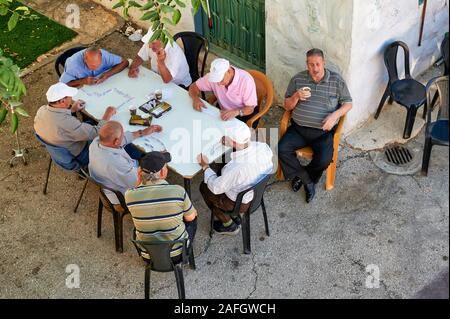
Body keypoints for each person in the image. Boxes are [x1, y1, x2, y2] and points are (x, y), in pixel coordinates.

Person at [278, 48, 353, 203]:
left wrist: (334, 115)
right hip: (299, 129)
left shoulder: (336, 81)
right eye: (311, 65)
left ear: (323, 63)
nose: (315, 68)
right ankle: (308, 180)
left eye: (318, 64)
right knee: (281, 149)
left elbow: (348, 103)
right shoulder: (298, 79)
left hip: (322, 133)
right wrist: (296, 96)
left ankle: (303, 176)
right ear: (307, 64)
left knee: (324, 159)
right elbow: (287, 106)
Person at [197, 121, 273, 235]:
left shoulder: (235, 168)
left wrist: (205, 166)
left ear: (233, 142)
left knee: (204, 186)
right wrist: (230, 143)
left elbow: (216, 188)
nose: (222, 137)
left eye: (225, 136)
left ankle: (228, 224)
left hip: (239, 203)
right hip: (257, 193)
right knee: (221, 172)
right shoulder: (263, 147)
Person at [125, 152, 198, 261]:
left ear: (139, 172)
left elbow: (136, 190)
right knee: (192, 216)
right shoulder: (178, 191)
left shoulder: (129, 195)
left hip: (148, 256)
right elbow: (190, 218)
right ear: (163, 172)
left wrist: (139, 180)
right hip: (177, 255)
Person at [34, 82, 116, 166]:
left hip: (58, 150)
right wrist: (107, 114)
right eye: (70, 97)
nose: (71, 98)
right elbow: (98, 133)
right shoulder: (68, 123)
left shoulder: (41, 110)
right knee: (111, 137)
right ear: (62, 101)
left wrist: (71, 110)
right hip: (79, 156)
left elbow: (58, 119)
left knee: (89, 122)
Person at [88, 121, 162, 204]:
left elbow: (122, 139)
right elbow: (137, 182)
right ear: (116, 141)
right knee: (157, 168)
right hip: (121, 195)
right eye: (122, 135)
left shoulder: (97, 141)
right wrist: (159, 166)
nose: (124, 136)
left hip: (111, 177)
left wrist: (143, 132)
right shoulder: (115, 163)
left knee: (136, 151)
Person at [189, 58, 258, 122]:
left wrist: (236, 112)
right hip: (223, 112)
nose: (218, 83)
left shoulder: (246, 81)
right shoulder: (213, 77)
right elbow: (194, 86)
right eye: (216, 80)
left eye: (221, 79)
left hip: (242, 114)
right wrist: (195, 99)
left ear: (229, 71)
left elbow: (250, 108)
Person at [128, 30, 192, 88]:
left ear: (162, 40)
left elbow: (167, 79)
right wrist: (133, 67)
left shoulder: (175, 53)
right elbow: (140, 57)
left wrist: (161, 62)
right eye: (149, 42)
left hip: (177, 85)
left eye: (153, 43)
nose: (150, 46)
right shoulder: (151, 44)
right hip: (157, 78)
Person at [60, 47, 129, 87]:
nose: (96, 68)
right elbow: (62, 85)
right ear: (85, 59)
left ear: (101, 56)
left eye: (99, 64)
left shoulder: (105, 55)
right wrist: (82, 81)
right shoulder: (73, 66)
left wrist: (107, 74)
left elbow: (125, 62)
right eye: (92, 65)